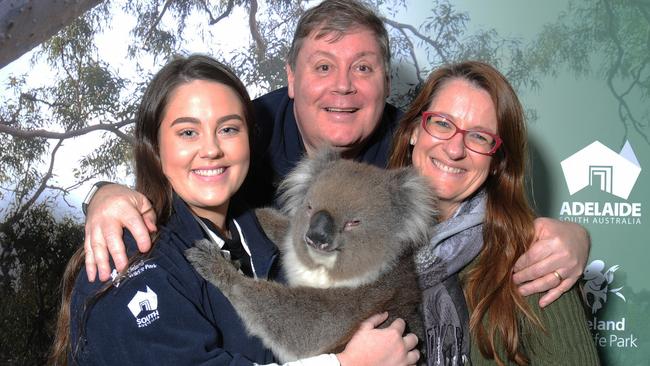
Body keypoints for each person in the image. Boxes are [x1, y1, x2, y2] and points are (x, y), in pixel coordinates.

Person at [81, 0, 589, 309]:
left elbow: (476, 199)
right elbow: (174, 170)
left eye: (363, 68)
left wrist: (569, 235)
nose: (343, 87)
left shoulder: (410, 146)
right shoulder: (244, 134)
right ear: (291, 78)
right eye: (323, 67)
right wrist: (104, 195)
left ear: (387, 82)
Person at [50, 55, 419, 365]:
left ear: (250, 140)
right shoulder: (126, 259)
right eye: (188, 132)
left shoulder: (261, 237)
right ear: (155, 147)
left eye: (228, 129)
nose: (211, 149)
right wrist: (343, 365)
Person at [388, 60, 599, 365]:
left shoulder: (534, 262)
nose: (455, 149)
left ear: (497, 160)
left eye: (478, 136)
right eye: (442, 123)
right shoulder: (362, 245)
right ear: (413, 132)